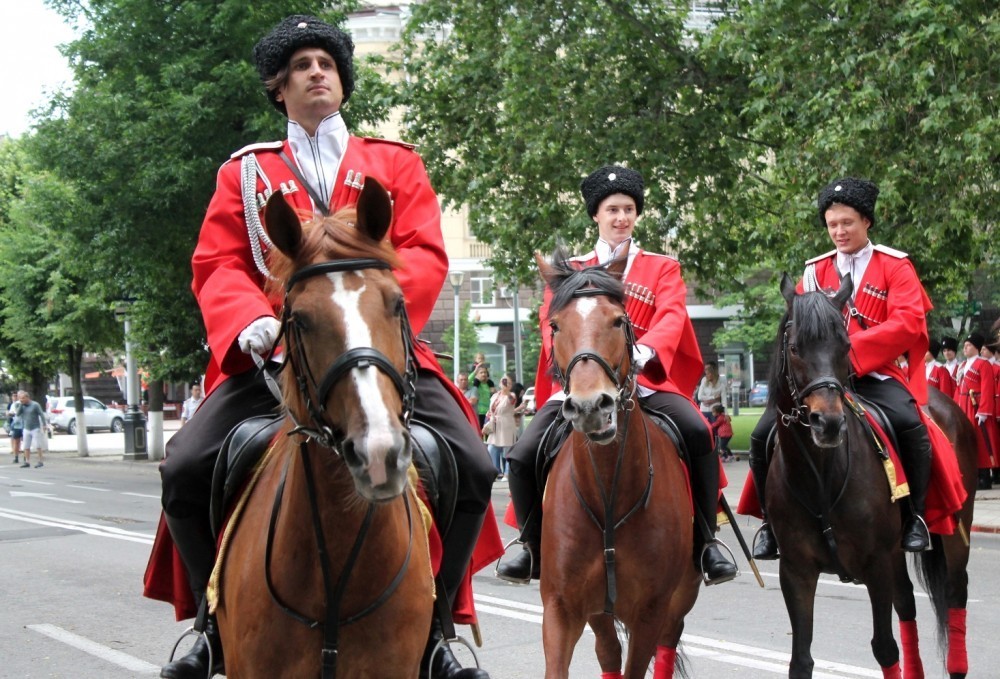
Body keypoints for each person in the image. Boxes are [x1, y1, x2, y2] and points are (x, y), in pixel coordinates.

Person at [150, 15, 495, 679]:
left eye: (327, 63)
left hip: (376, 355)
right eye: (302, 64)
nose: (317, 72)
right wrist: (250, 318)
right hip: (275, 359)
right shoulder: (246, 173)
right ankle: (211, 626)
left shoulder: (393, 164)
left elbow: (424, 250)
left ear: (341, 81)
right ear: (279, 87)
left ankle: (438, 628)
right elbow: (218, 261)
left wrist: (370, 316)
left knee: (474, 466)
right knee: (185, 468)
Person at [496, 164, 737, 585]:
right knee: (521, 455)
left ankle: (707, 540)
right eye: (612, 209)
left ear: (637, 214)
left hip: (644, 379)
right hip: (584, 379)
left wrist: (645, 351)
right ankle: (530, 545)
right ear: (596, 214)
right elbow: (549, 324)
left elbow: (673, 315)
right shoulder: (570, 268)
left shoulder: (661, 267)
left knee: (698, 432)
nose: (621, 217)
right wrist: (576, 368)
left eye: (628, 209)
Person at [749, 177, 933, 559]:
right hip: (818, 380)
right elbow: (795, 327)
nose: (839, 231)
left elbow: (908, 324)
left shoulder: (894, 266)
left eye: (846, 222)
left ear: (866, 222)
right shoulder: (815, 271)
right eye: (832, 224)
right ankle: (770, 522)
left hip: (875, 374)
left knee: (908, 423)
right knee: (765, 431)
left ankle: (915, 516)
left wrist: (849, 355)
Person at [955, 332, 997, 490]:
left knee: (980, 439)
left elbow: (987, 388)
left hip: (976, 405)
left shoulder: (983, 364)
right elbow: (959, 389)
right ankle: (972, 473)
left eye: (969, 345)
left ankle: (984, 476)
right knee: (967, 439)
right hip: (964, 403)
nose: (965, 347)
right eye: (964, 345)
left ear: (977, 348)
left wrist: (984, 410)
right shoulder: (962, 365)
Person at [485, 376, 520, 478]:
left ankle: (507, 473)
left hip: (507, 423)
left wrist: (507, 391)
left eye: (508, 382)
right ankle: (496, 471)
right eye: (503, 382)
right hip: (495, 423)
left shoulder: (511, 395)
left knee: (508, 449)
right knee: (492, 448)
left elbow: (512, 401)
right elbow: (491, 408)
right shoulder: (495, 395)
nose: (505, 384)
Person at [17, 391, 46, 469]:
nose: (21, 400)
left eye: (23, 398)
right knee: (26, 446)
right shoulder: (22, 406)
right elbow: (18, 414)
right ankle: (27, 462)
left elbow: (41, 414)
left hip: (35, 428)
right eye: (20, 398)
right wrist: (20, 405)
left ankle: (40, 461)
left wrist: (44, 424)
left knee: (38, 445)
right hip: (26, 428)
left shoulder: (35, 405)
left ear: (27, 397)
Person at [471, 365, 495, 429]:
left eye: (485, 372)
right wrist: (475, 371)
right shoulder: (475, 384)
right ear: (477, 374)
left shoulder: (489, 384)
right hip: (478, 412)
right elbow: (468, 379)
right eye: (481, 373)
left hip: (488, 412)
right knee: (479, 431)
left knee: (488, 432)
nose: (483, 374)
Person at [8, 398, 23, 464]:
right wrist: (11, 414)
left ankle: (26, 458)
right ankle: (16, 457)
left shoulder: (28, 404)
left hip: (25, 425)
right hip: (17, 425)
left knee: (26, 442)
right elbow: (12, 413)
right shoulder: (15, 404)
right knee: (16, 441)